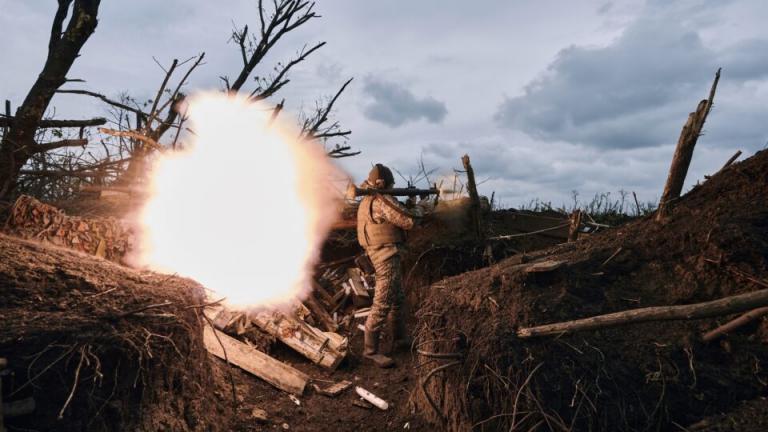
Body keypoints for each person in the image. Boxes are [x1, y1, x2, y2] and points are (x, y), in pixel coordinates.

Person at [356, 163, 433, 367]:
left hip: (380, 253)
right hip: (385, 257)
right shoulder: (381, 200)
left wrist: (409, 202)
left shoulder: (367, 199)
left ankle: (398, 339)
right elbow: (409, 220)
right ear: (386, 183)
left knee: (397, 298)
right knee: (382, 302)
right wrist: (421, 206)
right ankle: (370, 351)